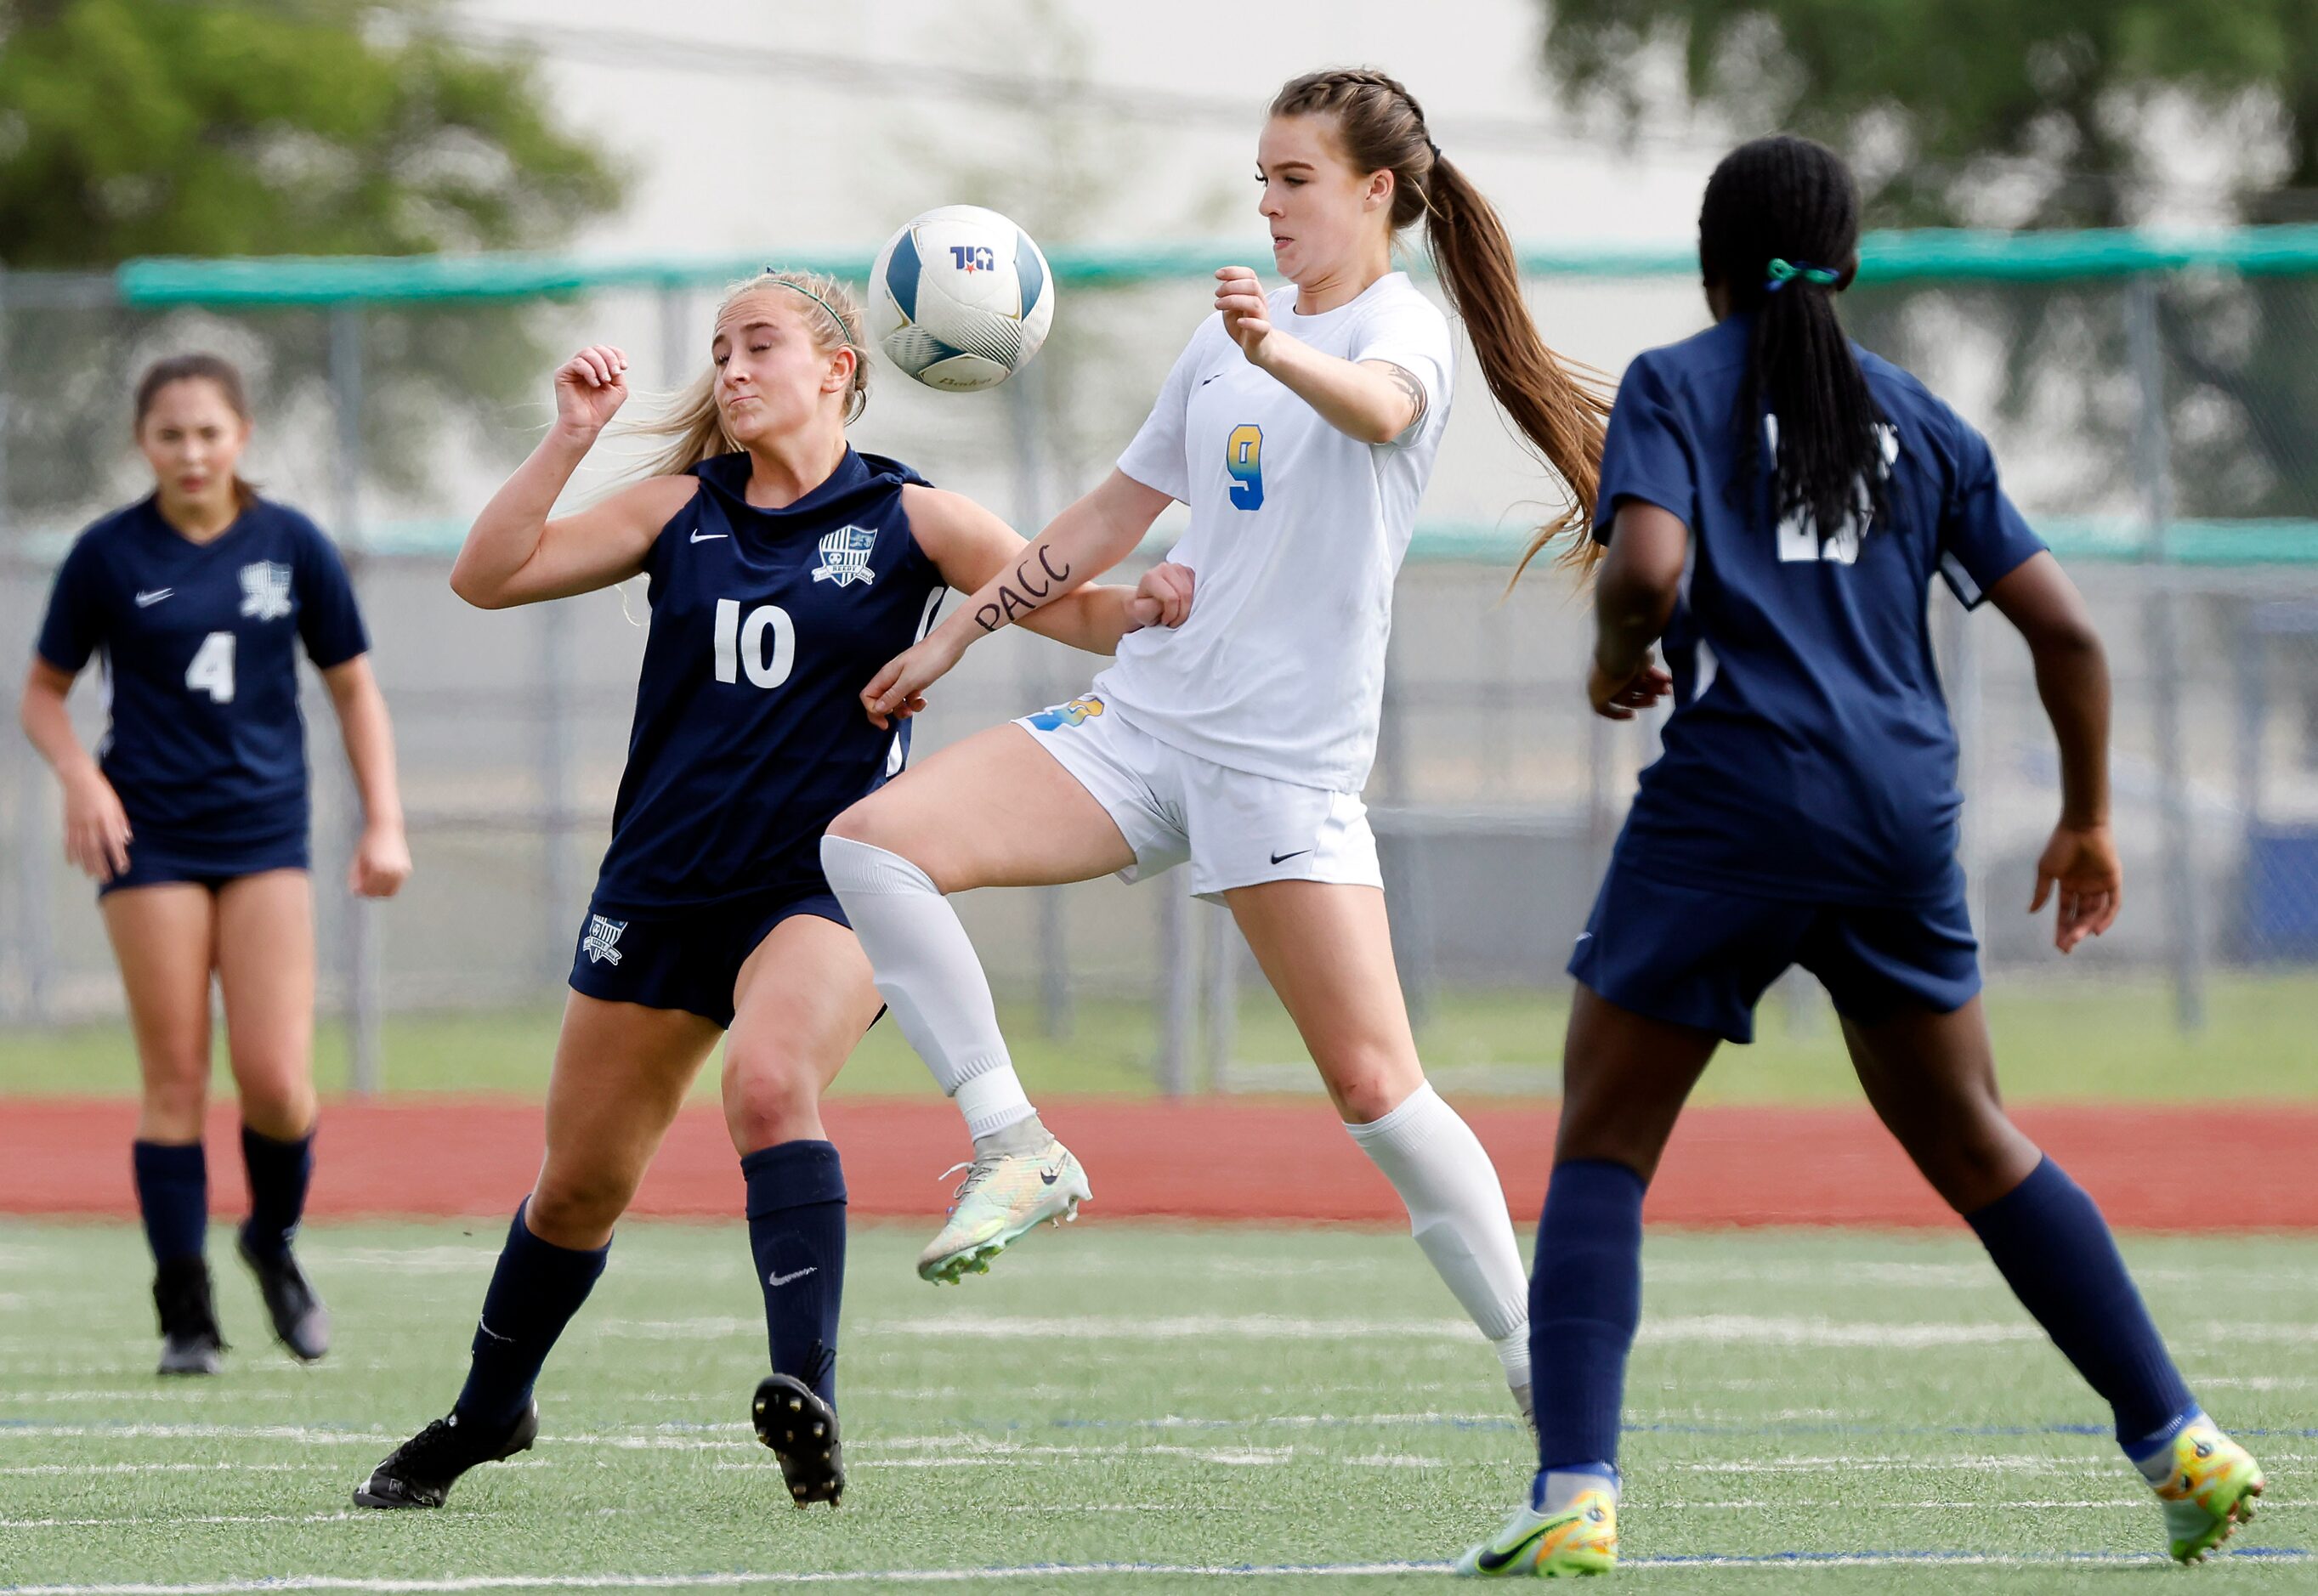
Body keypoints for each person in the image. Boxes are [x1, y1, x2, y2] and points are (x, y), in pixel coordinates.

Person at [1455, 135, 2266, 1579]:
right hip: (1899, 811)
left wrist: (1613, 655)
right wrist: (2086, 816)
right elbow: (2066, 634)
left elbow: (1644, 569)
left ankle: (1574, 1487)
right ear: (1849, 264)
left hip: (1733, 801)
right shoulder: (1923, 421)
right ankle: (2178, 1437)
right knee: (1975, 1140)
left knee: (1603, 1141)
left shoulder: (1674, 383)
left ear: (1712, 267)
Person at [819, 67, 1609, 1429]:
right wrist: (958, 635)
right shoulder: (1222, 342)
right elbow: (1109, 516)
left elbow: (1377, 409)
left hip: (1279, 773)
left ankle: (1541, 1358)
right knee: (869, 843)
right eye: (1260, 178)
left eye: (1293, 179)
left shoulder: (1394, 328)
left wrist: (1275, 351)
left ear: (1375, 191)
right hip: (1142, 724)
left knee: (1374, 1085)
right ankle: (1014, 1144)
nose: (1267, 202)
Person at [350, 271, 1187, 1514]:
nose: (731, 369)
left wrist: (1158, 600)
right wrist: (568, 439)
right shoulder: (680, 506)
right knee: (578, 1183)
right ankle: (489, 1410)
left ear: (837, 366)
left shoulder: (916, 517)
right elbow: (489, 571)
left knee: (768, 1082)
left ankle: (808, 1398)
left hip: (824, 882)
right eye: (720, 350)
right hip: (661, 883)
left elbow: (1076, 606)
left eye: (759, 346)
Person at [20, 353, 410, 1377]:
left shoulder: (292, 545)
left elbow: (354, 689)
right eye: (169, 435)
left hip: (263, 833)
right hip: (147, 838)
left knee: (278, 1084)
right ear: (142, 445)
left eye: (208, 432)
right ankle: (184, 1312)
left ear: (241, 437)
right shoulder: (108, 553)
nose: (191, 452)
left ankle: (270, 1239)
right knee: (176, 1078)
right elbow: (42, 693)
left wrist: (384, 821)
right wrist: (80, 779)